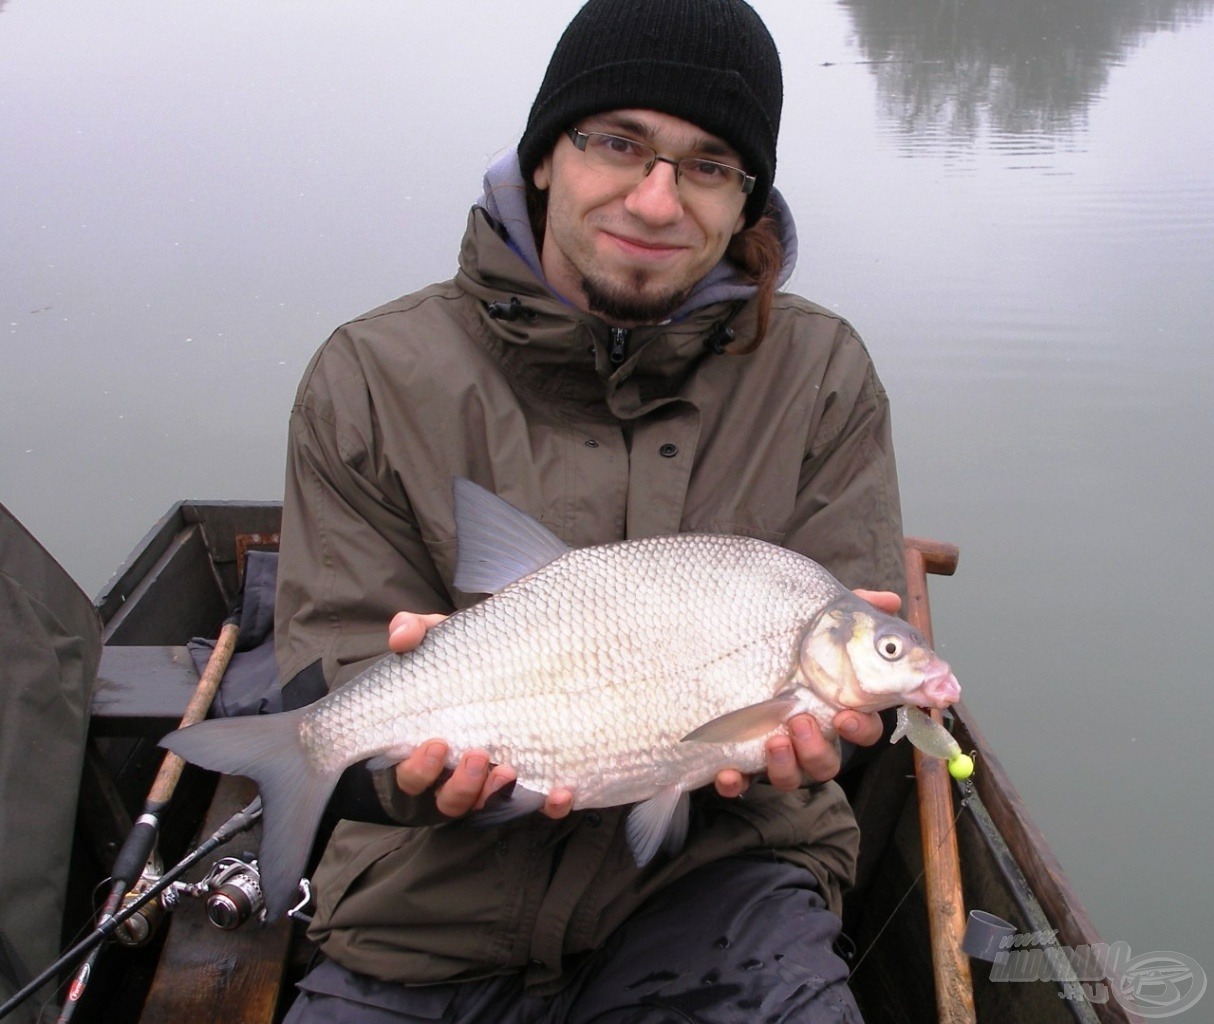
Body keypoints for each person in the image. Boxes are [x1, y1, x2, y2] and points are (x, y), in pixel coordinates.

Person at [273, 1, 906, 1020]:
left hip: (723, 887)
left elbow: (848, 661)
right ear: (541, 158)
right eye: (617, 143)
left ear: (745, 199)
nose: (655, 201)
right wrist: (412, 770)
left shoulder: (820, 373)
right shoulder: (370, 374)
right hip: (422, 903)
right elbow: (333, 660)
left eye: (707, 165)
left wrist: (843, 731)